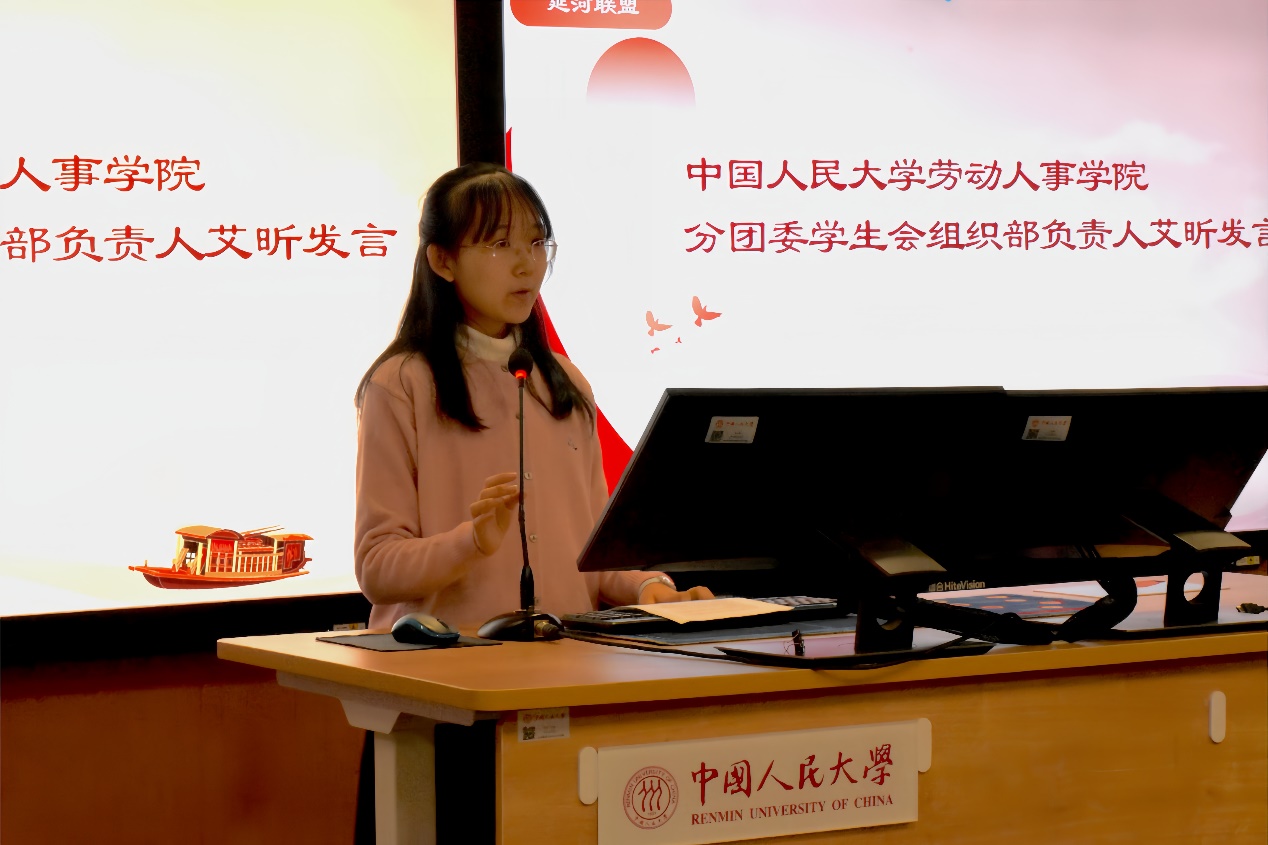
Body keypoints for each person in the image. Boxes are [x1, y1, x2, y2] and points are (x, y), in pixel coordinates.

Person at [353, 162, 712, 634]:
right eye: (500, 244)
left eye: (537, 243)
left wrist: (651, 588)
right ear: (442, 261)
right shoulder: (402, 384)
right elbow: (376, 568)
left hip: (568, 657)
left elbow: (589, 556)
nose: (527, 264)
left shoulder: (565, 383)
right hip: (447, 660)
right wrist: (471, 542)